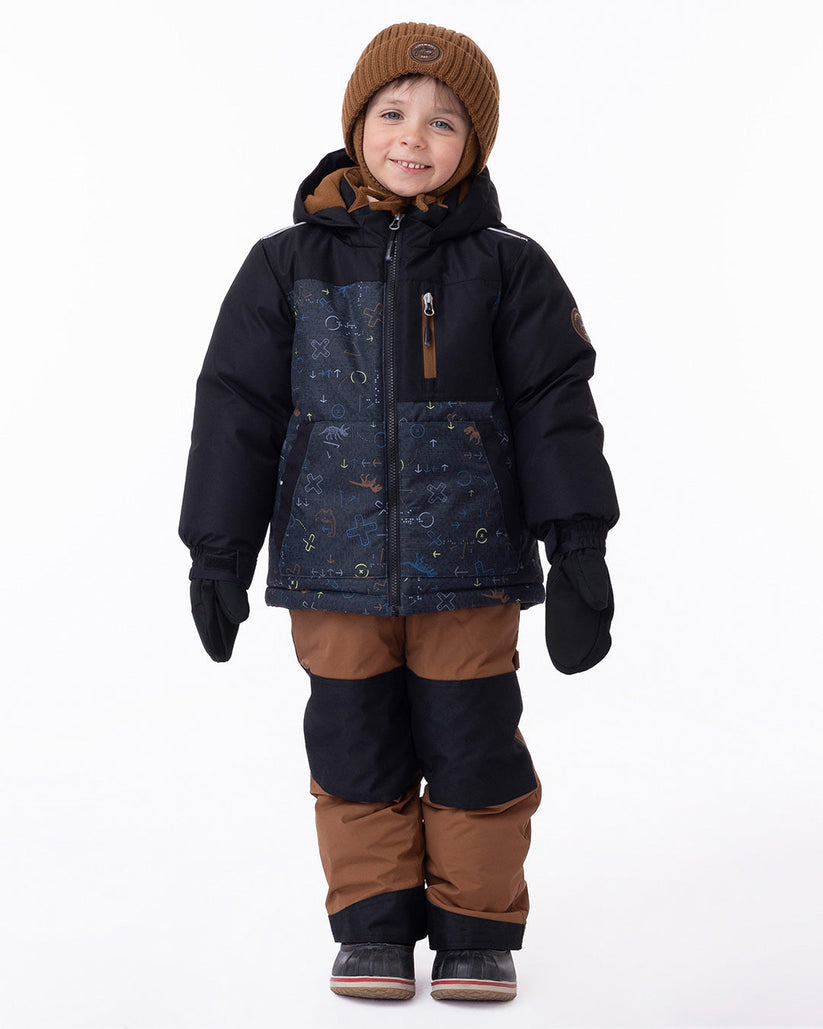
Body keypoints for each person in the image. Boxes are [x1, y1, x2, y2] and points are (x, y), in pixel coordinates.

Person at [179, 22, 618, 1003]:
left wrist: (579, 544)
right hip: (330, 565)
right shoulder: (282, 266)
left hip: (468, 566)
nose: (413, 136)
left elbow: (554, 407)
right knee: (353, 750)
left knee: (473, 748)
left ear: (474, 144)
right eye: (392, 112)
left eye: (443, 122)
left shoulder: (510, 268)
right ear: (356, 124)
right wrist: (217, 553)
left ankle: (476, 932)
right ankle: (373, 928)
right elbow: (236, 412)